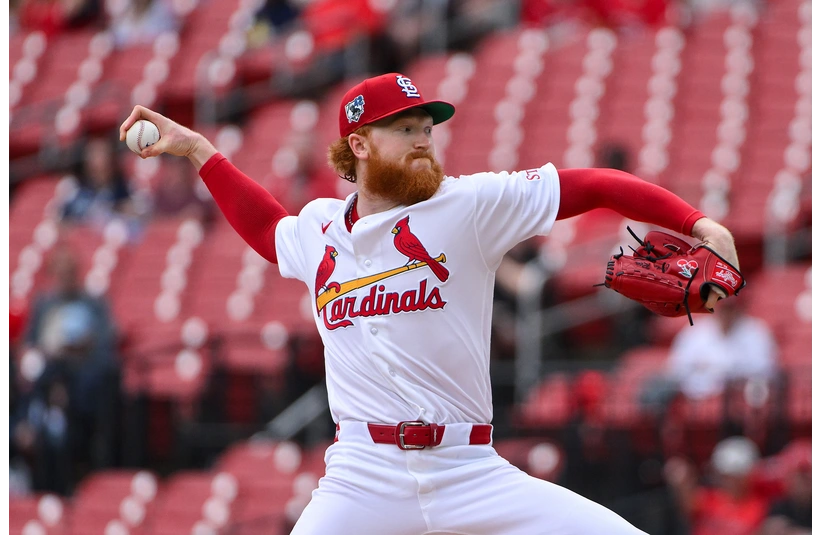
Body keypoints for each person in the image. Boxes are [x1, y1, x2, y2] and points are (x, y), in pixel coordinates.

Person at [120, 71, 740, 535]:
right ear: (359, 144)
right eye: (406, 129)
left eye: (427, 129)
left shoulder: (468, 205)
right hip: (362, 474)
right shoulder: (317, 230)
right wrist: (199, 151)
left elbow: (592, 186)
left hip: (469, 469)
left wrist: (696, 221)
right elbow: (266, 230)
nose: (424, 141)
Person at [665, 296, 778, 402]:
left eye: (731, 309)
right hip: (698, 397)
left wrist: (718, 369)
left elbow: (766, 368)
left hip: (739, 398)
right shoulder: (697, 330)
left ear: (740, 309)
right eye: (723, 309)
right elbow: (677, 367)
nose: (727, 314)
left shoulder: (756, 330)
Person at [664, 435, 771, 535]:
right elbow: (687, 505)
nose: (731, 481)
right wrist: (683, 481)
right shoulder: (709, 498)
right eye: (726, 476)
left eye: (736, 476)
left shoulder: (759, 505)